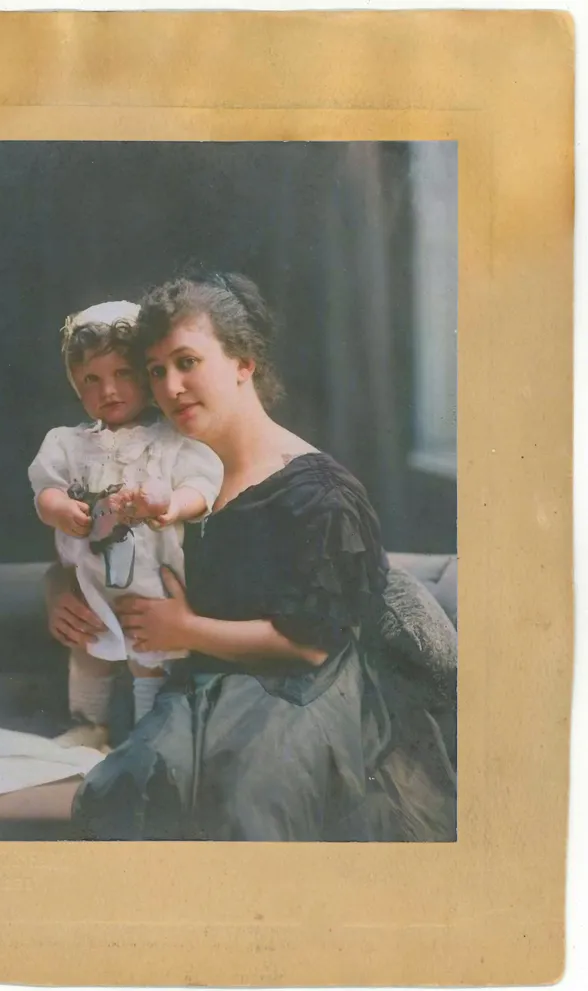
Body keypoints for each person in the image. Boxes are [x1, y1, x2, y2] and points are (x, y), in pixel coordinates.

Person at [47, 273, 457, 841]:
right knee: (128, 788)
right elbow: (94, 547)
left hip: (303, 693)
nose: (171, 387)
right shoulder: (163, 470)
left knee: (250, 797)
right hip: (202, 686)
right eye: (158, 371)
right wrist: (61, 590)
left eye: (188, 362)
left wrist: (187, 629)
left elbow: (313, 646)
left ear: (244, 363)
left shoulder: (317, 492)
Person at [28, 299, 223, 749]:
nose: (108, 391)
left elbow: (203, 484)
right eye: (91, 380)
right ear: (76, 386)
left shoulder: (171, 441)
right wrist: (58, 508)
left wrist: (172, 504)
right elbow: (44, 491)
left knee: (147, 655)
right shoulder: (69, 444)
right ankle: (90, 723)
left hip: (148, 581)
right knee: (88, 650)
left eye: (122, 375)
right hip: (88, 578)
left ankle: (146, 733)